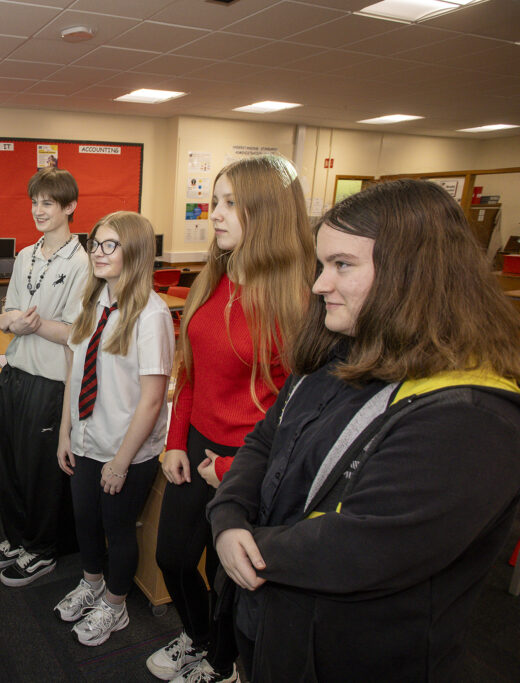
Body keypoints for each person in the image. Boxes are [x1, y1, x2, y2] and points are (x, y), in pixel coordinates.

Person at [208, 178, 520, 682]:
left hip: (350, 654)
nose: (318, 285)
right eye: (322, 264)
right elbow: (269, 439)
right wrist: (228, 513)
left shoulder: (470, 414)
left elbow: (362, 547)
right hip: (274, 624)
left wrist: (241, 542)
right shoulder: (342, 347)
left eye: (342, 265)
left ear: (412, 275)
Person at [147, 155, 314, 683]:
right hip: (196, 443)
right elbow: (189, 370)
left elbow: (297, 415)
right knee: (173, 557)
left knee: (228, 579)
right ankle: (196, 638)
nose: (213, 215)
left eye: (229, 204)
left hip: (247, 461)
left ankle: (219, 661)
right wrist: (176, 440)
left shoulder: (296, 301)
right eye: (214, 202)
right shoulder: (212, 278)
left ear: (264, 212)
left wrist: (237, 470)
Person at [53, 211, 174, 646]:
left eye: (110, 245)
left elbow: (153, 398)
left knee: (118, 528)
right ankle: (92, 583)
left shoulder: (151, 315)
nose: (98, 253)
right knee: (85, 520)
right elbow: (74, 373)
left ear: (136, 253)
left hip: (126, 449)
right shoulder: (93, 301)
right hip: (86, 438)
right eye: (95, 244)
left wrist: (121, 462)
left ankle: (116, 605)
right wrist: (66, 432)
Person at [0, 168, 88, 587]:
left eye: (48, 203)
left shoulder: (82, 263)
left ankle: (41, 548)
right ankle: (17, 537)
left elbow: (78, 332)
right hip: (15, 374)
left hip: (50, 382)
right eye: (34, 202)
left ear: (70, 207)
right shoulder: (26, 255)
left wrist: (34, 325)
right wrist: (10, 320)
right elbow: (5, 313)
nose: (38, 210)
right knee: (9, 463)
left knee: (41, 471)